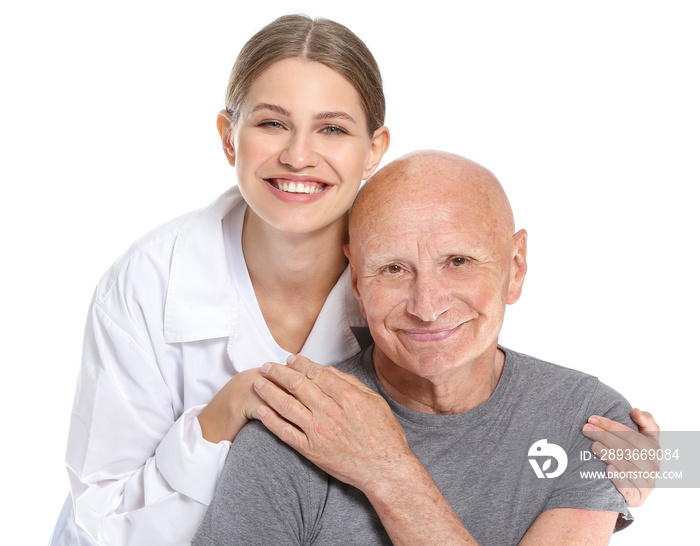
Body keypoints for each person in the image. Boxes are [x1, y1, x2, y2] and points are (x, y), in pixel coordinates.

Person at [52, 15, 658, 546]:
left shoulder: (420, 248)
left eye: (333, 129)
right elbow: (100, 511)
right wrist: (228, 413)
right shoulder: (146, 282)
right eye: (271, 124)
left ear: (374, 148)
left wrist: (650, 475)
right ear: (227, 136)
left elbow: (516, 412)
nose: (297, 156)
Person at [194, 151, 659, 545]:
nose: (427, 306)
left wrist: (389, 471)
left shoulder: (586, 418)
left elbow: (674, 461)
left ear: (515, 267)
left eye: (458, 262)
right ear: (356, 278)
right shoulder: (296, 428)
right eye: (393, 269)